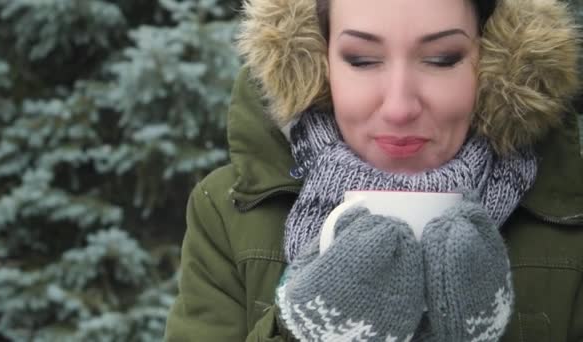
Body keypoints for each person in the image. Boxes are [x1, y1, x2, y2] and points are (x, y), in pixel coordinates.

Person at [164, 0, 583, 340]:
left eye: (441, 58)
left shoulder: (570, 220)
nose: (400, 107)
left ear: (498, 63)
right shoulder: (227, 211)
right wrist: (299, 331)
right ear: (317, 63)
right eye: (362, 60)